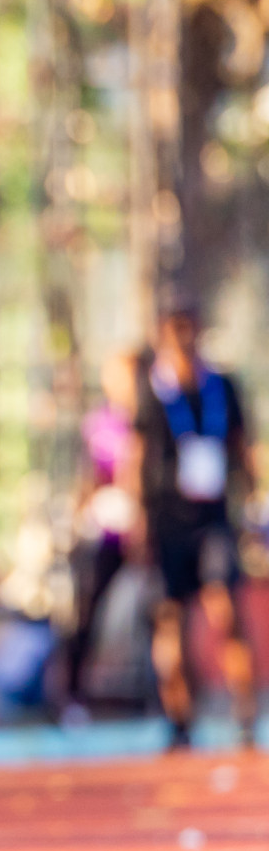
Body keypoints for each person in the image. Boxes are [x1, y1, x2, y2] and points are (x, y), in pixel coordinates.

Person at [129, 306, 258, 750]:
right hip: (169, 521)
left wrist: (255, 505)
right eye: (174, 333)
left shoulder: (223, 387)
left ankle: (245, 714)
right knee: (172, 618)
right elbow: (136, 453)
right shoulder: (152, 390)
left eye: (189, 332)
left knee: (227, 610)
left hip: (214, 518)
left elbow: (243, 448)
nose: (184, 341)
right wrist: (139, 520)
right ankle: (179, 719)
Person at [60, 351, 141, 724]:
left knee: (164, 613)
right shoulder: (101, 425)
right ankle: (73, 695)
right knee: (87, 610)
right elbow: (88, 478)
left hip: (148, 534)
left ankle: (162, 693)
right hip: (108, 533)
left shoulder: (153, 416)